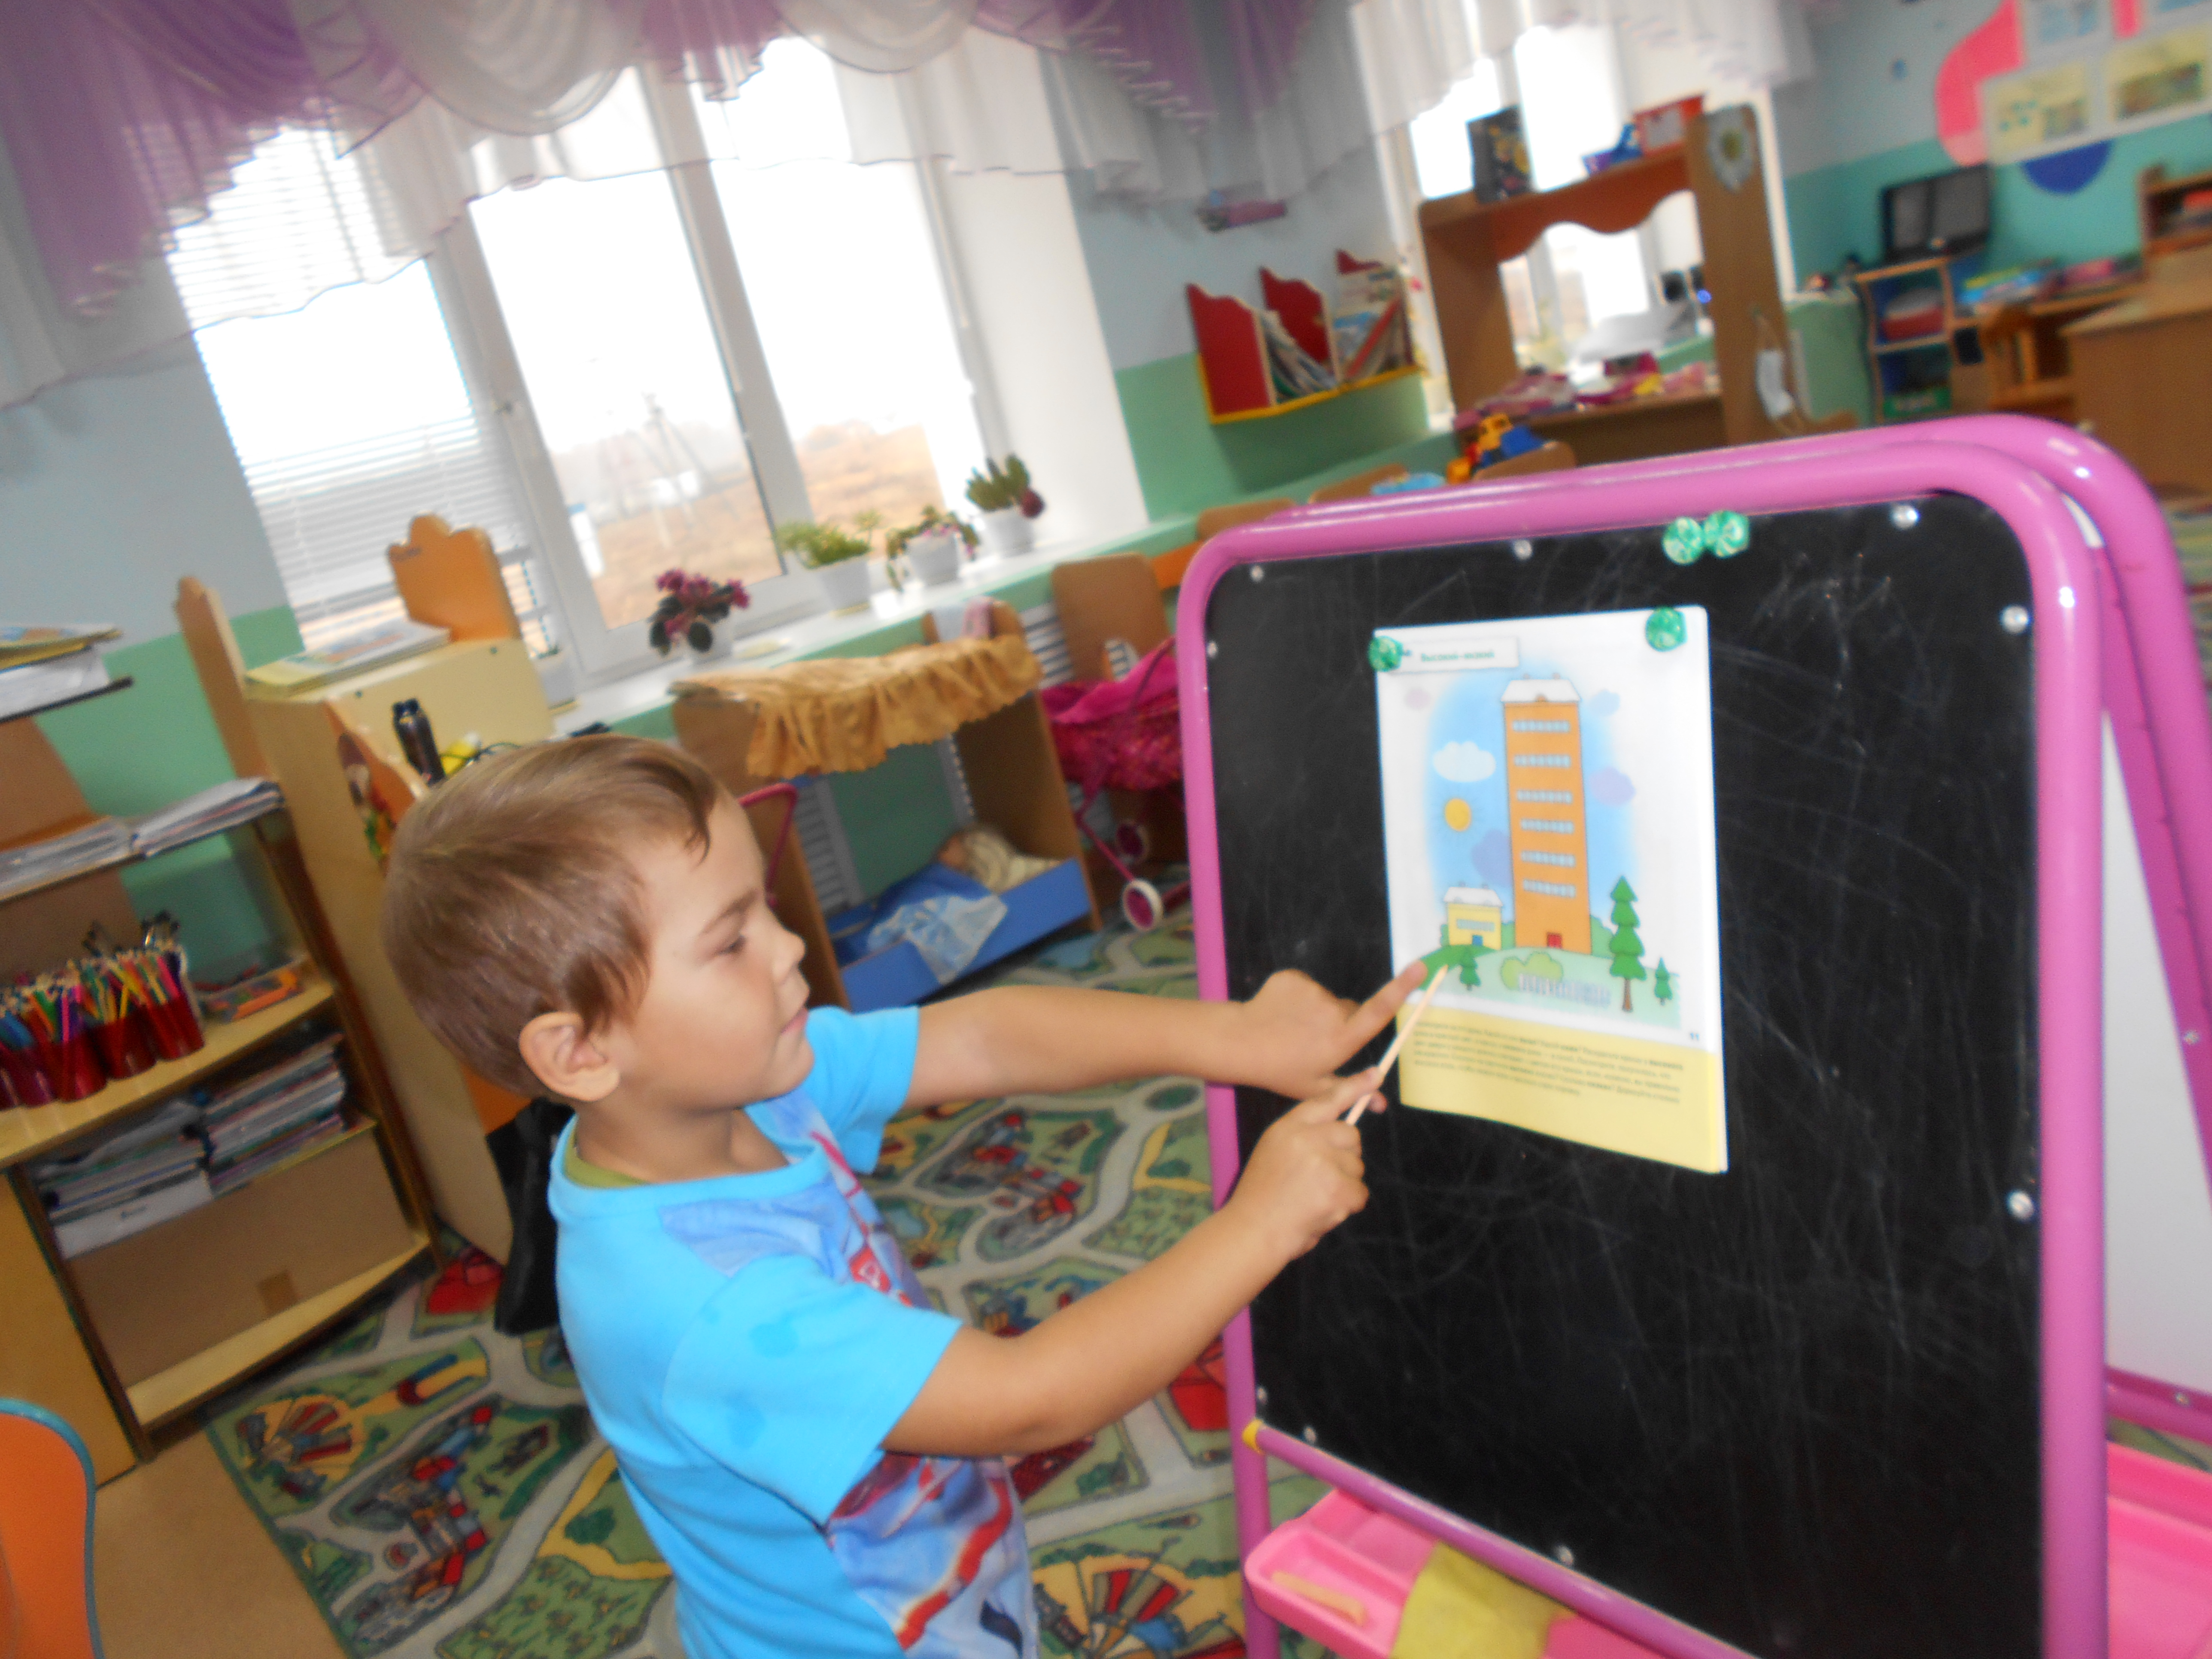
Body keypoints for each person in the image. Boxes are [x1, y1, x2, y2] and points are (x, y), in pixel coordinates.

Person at [380, 735, 1419, 1659]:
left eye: (763, 908)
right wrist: (1261, 1221)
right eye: (730, 941)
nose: (790, 948)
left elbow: (983, 1036)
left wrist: (1232, 1036)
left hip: (937, 1590)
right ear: (579, 1052)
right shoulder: (702, 1308)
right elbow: (1029, 1399)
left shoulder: (738, 1090)